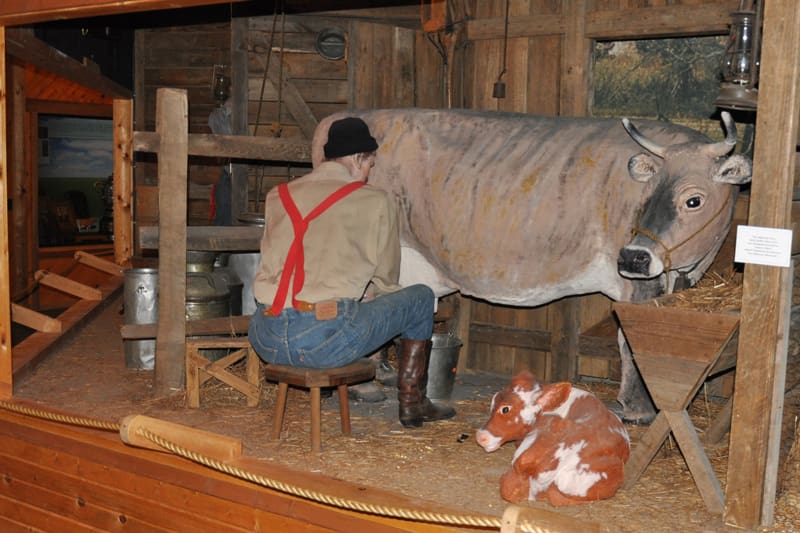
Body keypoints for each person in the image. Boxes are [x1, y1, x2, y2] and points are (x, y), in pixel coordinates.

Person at [248, 116, 455, 428]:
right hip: (324, 342)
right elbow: (387, 282)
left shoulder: (278, 195)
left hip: (266, 336)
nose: (370, 173)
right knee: (421, 298)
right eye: (371, 164)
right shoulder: (375, 200)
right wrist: (365, 293)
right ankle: (413, 403)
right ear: (359, 158)